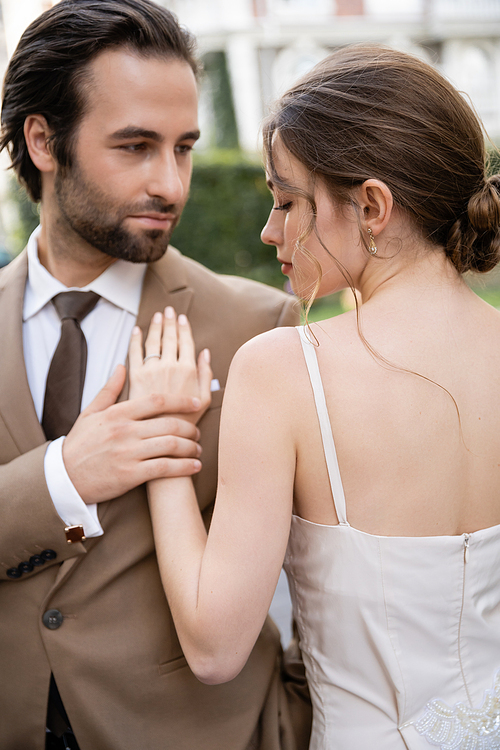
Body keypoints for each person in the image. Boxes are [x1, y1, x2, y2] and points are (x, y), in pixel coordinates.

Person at [130, 44, 500, 750]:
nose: (270, 229)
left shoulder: (285, 371)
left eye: (286, 200)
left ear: (371, 205)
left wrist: (166, 438)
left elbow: (214, 646)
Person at [0, 1, 312, 749]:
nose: (172, 184)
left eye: (184, 148)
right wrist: (64, 478)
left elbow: (328, 580)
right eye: (136, 146)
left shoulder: (259, 329)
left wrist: (289, 723)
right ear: (43, 140)